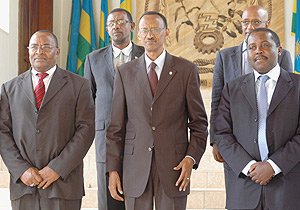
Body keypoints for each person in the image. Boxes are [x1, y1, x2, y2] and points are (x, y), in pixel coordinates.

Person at [106, 11, 208, 210]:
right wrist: (112, 170)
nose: (149, 35)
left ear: (166, 32)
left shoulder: (186, 70)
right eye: (145, 31)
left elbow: (199, 124)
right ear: (139, 35)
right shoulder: (125, 73)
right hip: (135, 167)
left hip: (175, 168)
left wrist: (191, 158)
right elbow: (115, 128)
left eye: (155, 30)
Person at [0, 30, 95, 210]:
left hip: (63, 185)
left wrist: (58, 168)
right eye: (34, 47)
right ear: (28, 50)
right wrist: (21, 170)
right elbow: (2, 132)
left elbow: (86, 130)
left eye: (46, 47)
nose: (39, 52)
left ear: (57, 51)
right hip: (24, 186)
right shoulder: (9, 88)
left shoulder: (79, 85)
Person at [214, 28, 300, 210]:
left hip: (288, 188)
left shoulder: (298, 86)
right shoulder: (232, 88)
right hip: (243, 187)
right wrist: (249, 167)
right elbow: (221, 132)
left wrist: (273, 166)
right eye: (252, 47)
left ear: (279, 50)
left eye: (265, 45)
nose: (258, 51)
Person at [210, 5, 293, 163]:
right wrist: (215, 140)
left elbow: (289, 100)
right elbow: (217, 101)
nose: (249, 27)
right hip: (234, 141)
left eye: (256, 22)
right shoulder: (224, 56)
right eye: (245, 22)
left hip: (274, 142)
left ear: (266, 25)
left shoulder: (282, 56)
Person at [84, 8, 144, 210]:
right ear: (107, 29)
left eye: (121, 21)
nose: (116, 26)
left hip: (140, 136)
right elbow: (87, 100)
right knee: (108, 199)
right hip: (106, 137)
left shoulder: (146, 56)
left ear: (132, 26)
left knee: (138, 198)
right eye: (111, 23)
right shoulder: (93, 59)